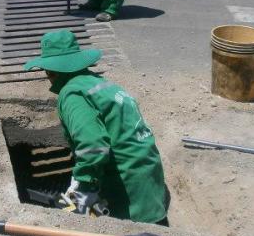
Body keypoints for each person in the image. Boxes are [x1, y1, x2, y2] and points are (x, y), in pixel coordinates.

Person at [24, 29, 169, 224]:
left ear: (51, 70)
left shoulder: (72, 94)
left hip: (125, 188)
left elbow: (93, 146)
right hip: (149, 179)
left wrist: (83, 184)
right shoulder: (103, 85)